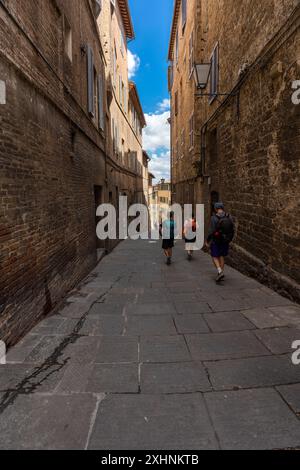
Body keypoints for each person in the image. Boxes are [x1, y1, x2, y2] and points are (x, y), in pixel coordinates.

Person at [206, 202, 235, 282]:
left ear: (215, 209)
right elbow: (232, 227)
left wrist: (208, 240)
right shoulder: (229, 216)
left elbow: (211, 231)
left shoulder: (214, 218)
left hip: (216, 240)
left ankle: (220, 271)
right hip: (225, 240)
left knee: (214, 256)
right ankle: (220, 273)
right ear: (222, 208)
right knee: (221, 256)